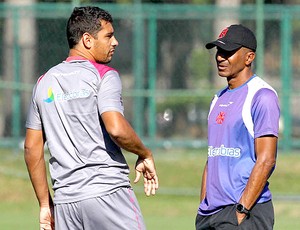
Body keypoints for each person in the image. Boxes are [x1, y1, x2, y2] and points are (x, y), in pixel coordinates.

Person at [24, 6, 158, 230]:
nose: (115, 42)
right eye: (108, 36)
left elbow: (31, 149)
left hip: (66, 203)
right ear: (87, 39)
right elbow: (115, 128)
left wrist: (45, 205)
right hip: (108, 194)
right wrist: (144, 153)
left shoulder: (43, 82)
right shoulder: (104, 75)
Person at [195, 24, 280, 230]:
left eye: (228, 52)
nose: (220, 57)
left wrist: (241, 211)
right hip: (211, 214)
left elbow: (267, 159)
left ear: (249, 57)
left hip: (244, 212)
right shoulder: (218, 98)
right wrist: (203, 206)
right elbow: (212, 157)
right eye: (219, 51)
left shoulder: (262, 96)